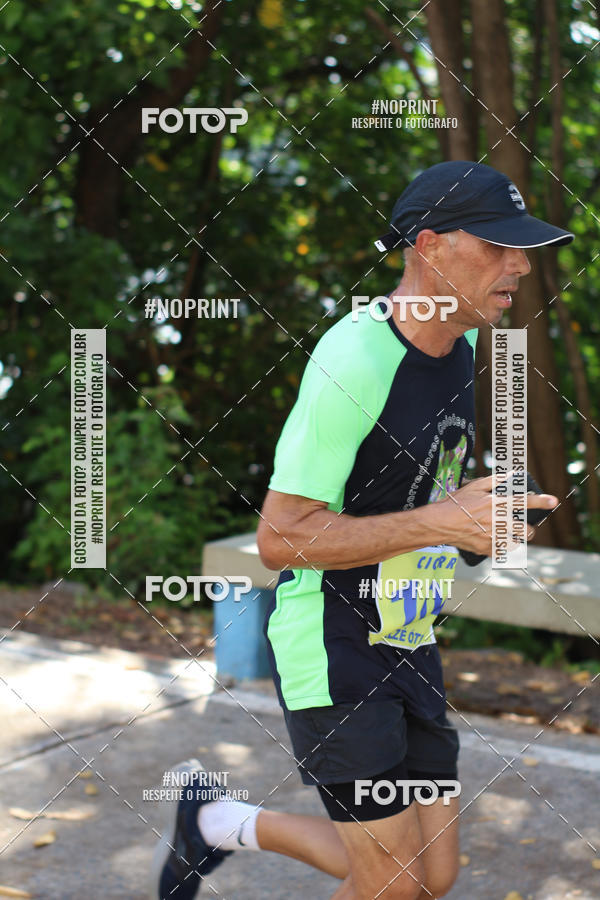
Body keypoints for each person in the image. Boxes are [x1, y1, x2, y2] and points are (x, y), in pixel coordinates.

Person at [150, 160, 570, 900]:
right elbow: (281, 538)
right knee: (391, 884)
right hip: (335, 644)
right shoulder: (356, 355)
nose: (520, 265)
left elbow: (412, 502)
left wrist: (473, 529)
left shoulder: (458, 348)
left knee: (430, 875)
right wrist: (444, 519)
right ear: (431, 246)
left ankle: (213, 823)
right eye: (499, 246)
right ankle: (212, 823)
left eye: (522, 248)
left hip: (409, 636)